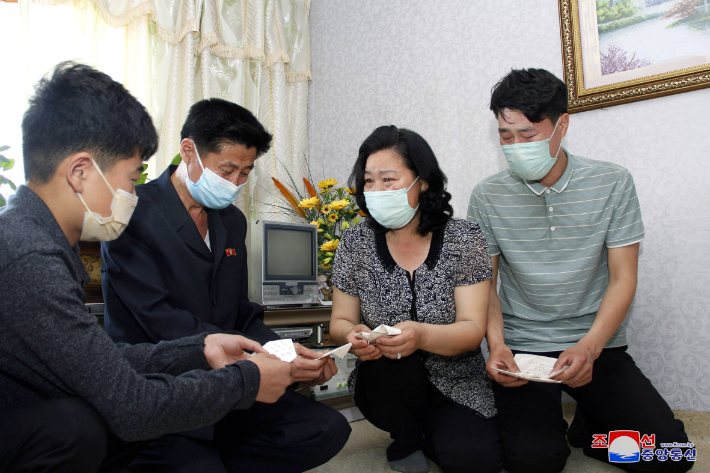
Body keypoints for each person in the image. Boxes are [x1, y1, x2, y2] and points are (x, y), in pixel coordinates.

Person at [0, 62, 296, 473]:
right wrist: (246, 380)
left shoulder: (33, 235)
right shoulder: (28, 256)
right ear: (81, 172)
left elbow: (103, 360)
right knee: (77, 426)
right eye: (131, 174)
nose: (132, 192)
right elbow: (132, 404)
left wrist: (200, 345)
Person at [100, 98, 351, 473]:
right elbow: (159, 319)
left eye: (246, 173)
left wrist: (285, 351)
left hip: (232, 379)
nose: (235, 183)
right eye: (227, 170)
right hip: (167, 385)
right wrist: (253, 359)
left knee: (325, 429)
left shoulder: (231, 221)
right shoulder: (132, 213)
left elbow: (240, 312)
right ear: (189, 151)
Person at [468, 68, 691, 473]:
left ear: (561, 125)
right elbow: (487, 284)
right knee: (534, 461)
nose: (515, 146)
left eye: (528, 134)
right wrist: (497, 345)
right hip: (525, 347)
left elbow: (624, 277)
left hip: (596, 343)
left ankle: (590, 432)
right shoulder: (487, 195)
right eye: (505, 135)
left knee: (671, 455)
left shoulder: (612, 181)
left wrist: (590, 348)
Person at [329, 126, 502, 473]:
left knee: (474, 460)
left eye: (388, 179)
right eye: (369, 181)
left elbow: (472, 328)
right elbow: (340, 322)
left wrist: (422, 335)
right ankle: (406, 437)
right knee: (394, 359)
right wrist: (352, 335)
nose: (376, 190)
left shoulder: (463, 237)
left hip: (456, 379)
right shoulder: (355, 242)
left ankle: (434, 430)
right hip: (385, 379)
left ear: (422, 181)